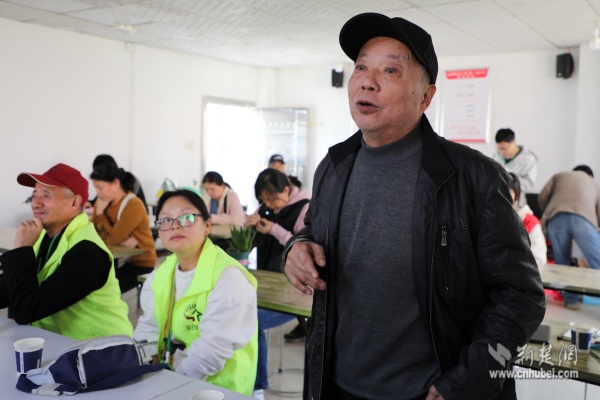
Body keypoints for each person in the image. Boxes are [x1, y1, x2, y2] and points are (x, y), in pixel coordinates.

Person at [283, 13, 545, 400]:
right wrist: (297, 247)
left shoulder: (474, 178)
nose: (367, 81)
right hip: (336, 386)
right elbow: (315, 233)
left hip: (429, 392)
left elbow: (520, 297)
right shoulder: (333, 166)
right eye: (361, 67)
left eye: (390, 70)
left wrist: (466, 382)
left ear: (426, 97)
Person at [134, 189, 258, 395]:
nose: (175, 225)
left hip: (220, 389)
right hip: (173, 378)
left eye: (186, 217)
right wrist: (149, 370)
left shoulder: (228, 276)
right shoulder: (161, 273)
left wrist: (171, 386)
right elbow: (148, 327)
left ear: (207, 225)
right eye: (166, 220)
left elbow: (211, 351)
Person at [0, 163, 133, 340]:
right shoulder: (42, 236)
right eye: (34, 195)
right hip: (60, 344)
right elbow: (8, 289)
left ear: (74, 202)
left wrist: (21, 250)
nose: (36, 203)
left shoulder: (88, 252)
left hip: (102, 349)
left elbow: (27, 310)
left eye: (45, 195)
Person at [245, 168, 310, 400]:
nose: (269, 205)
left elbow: (304, 248)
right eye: (264, 200)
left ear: (286, 189)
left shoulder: (305, 208)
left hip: (296, 290)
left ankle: (258, 387)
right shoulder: (265, 208)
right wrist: (248, 226)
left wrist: (274, 229)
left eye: (273, 199)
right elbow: (248, 243)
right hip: (267, 285)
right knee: (240, 314)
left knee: (252, 321)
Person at [538, 165, 600, 309]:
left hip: (556, 218)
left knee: (562, 263)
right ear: (590, 175)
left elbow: (542, 196)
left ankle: (571, 302)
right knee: (597, 261)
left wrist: (548, 212)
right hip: (583, 219)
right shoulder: (593, 183)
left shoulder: (560, 175)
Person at [90, 163, 157, 293]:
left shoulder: (133, 204)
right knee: (89, 283)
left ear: (115, 183)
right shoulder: (101, 201)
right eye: (95, 187)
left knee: (105, 291)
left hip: (139, 263)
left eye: (100, 187)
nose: (98, 193)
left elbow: (111, 239)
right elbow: (91, 232)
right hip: (115, 260)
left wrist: (100, 215)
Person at [508, 173, 547, 267]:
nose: (503, 195)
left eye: (509, 191)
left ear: (516, 195)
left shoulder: (528, 221)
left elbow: (539, 259)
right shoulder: (488, 218)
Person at [492, 128, 538, 206]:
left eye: (504, 148)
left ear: (513, 142)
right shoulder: (496, 156)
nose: (501, 152)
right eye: (499, 148)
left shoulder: (528, 159)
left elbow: (529, 186)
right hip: (497, 202)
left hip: (516, 204)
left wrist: (508, 174)